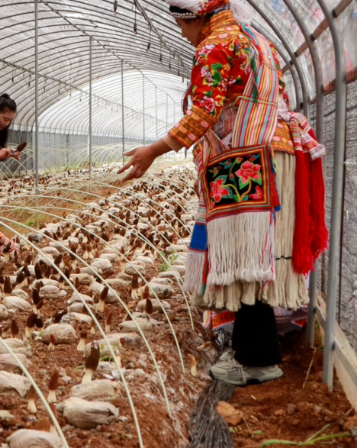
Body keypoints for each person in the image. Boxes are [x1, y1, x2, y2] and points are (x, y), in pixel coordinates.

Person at [117, 0, 328, 386]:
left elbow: (205, 112)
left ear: (196, 16)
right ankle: (254, 350)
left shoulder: (216, 43)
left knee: (246, 261)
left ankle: (257, 360)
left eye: (182, 25)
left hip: (246, 160)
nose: (183, 33)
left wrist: (153, 151)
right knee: (257, 258)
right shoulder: (257, 41)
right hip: (275, 155)